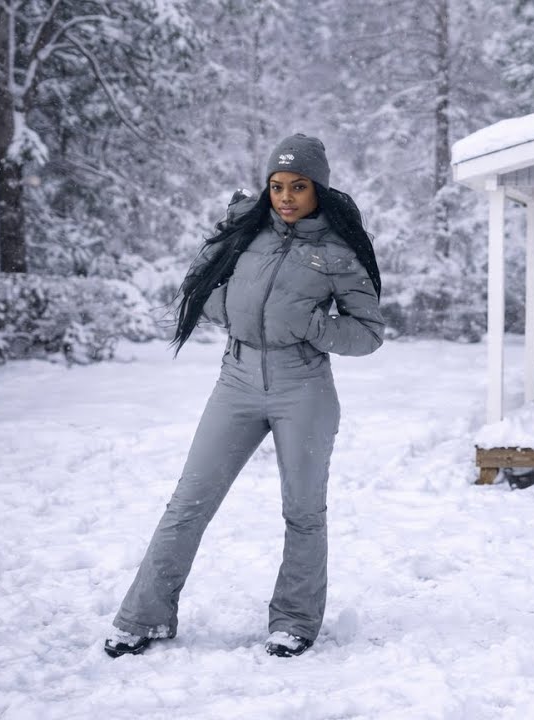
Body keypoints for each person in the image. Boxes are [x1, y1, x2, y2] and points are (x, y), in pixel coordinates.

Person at [103, 133, 385, 658]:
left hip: (303, 388)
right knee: (188, 503)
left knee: (303, 511)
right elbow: (197, 288)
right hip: (236, 379)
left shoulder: (338, 253)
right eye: (276, 185)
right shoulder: (243, 231)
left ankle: (294, 621)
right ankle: (145, 616)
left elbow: (368, 334)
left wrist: (311, 325)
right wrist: (231, 310)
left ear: (318, 189)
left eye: (298, 186)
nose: (285, 196)